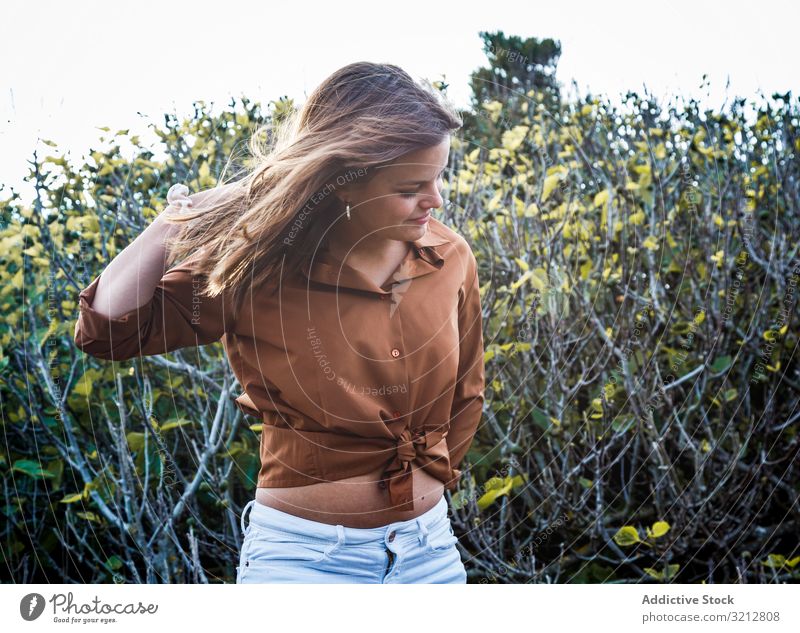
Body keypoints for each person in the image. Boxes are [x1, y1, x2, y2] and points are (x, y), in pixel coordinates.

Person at [73, 61, 485, 583]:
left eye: (439, 176)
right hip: (306, 563)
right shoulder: (259, 263)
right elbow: (108, 330)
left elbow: (468, 393)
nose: (437, 200)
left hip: (431, 555)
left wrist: (431, 482)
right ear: (344, 181)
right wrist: (183, 217)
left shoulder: (451, 256)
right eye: (411, 188)